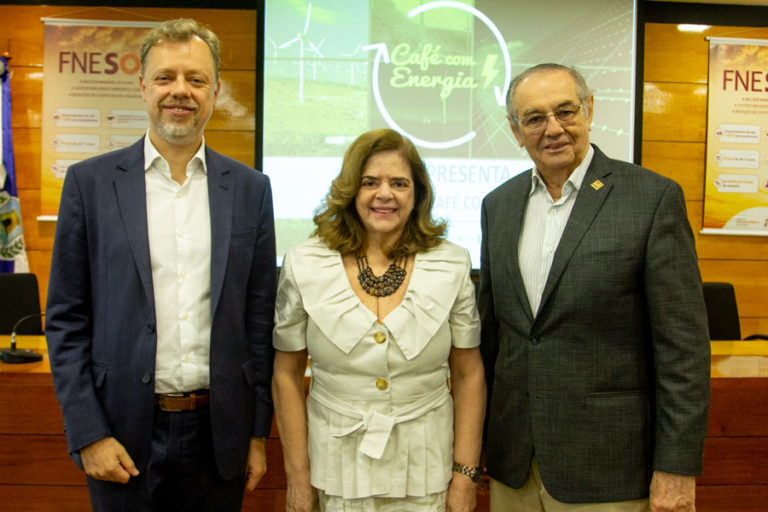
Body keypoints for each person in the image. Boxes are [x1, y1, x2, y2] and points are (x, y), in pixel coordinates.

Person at [45, 18, 276, 511]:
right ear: (143, 86)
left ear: (215, 91)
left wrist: (257, 433)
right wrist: (88, 433)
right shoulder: (90, 184)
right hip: (121, 437)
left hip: (220, 438)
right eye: (166, 77)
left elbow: (259, 321)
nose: (180, 92)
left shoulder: (251, 190)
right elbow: (65, 321)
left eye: (195, 80)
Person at [478, 63, 711, 512]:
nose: (553, 129)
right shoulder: (498, 205)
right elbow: (496, 337)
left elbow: (682, 348)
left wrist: (677, 468)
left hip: (611, 469)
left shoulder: (652, 198)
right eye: (534, 118)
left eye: (565, 111)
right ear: (514, 129)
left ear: (590, 109)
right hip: (516, 467)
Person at [272, 128, 486, 512]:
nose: (384, 194)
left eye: (399, 183)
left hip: (426, 472)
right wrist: (298, 480)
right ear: (351, 189)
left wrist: (465, 477)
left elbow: (469, 375)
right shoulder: (304, 262)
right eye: (370, 182)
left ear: (417, 194)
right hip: (334, 470)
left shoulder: (452, 262)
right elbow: (286, 375)